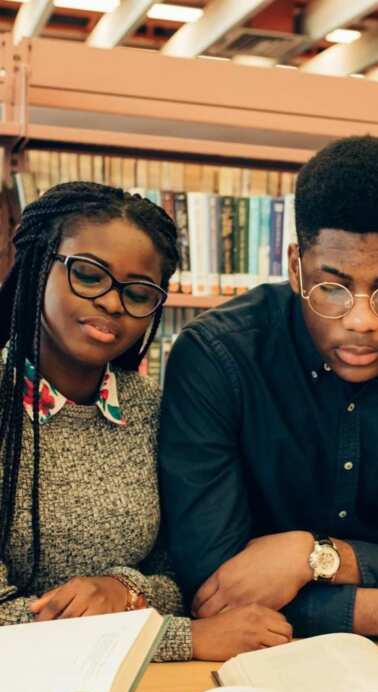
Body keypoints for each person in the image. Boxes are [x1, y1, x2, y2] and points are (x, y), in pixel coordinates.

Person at [159, 136, 378, 648]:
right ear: (295, 266)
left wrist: (311, 557)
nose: (362, 321)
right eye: (332, 287)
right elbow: (213, 584)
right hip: (252, 644)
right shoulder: (215, 357)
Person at [0, 182, 288, 661]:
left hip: (138, 687)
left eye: (138, 292)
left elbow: (181, 577)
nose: (113, 303)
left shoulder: (152, 409)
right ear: (36, 264)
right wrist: (183, 639)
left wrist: (122, 589)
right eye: (89, 276)